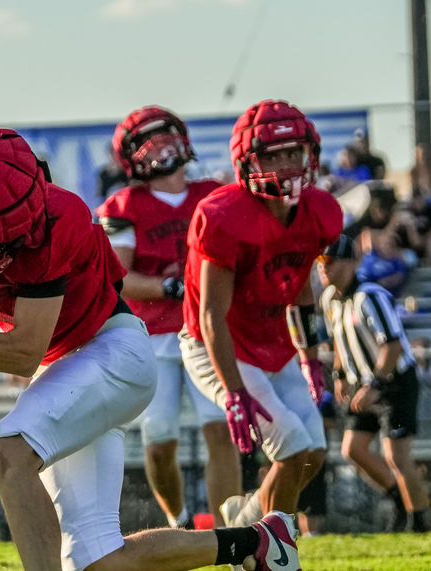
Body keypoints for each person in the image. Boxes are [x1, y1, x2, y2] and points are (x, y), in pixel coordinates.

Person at [0, 128, 301, 571]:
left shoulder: (54, 222)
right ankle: (260, 542)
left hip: (109, 352)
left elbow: (22, 351)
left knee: (8, 453)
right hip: (70, 367)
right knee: (96, 559)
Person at [176, 100, 342, 530]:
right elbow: (212, 314)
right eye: (274, 155)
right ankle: (270, 549)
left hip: (273, 344)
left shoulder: (319, 211)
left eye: (294, 154)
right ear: (248, 162)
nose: (287, 165)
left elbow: (300, 284)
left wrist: (309, 354)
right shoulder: (224, 216)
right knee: (289, 450)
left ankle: (246, 524)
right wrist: (232, 390)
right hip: (218, 345)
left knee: (315, 453)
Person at [96, 106, 241, 528]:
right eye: (146, 139)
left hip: (204, 330)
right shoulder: (124, 205)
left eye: (165, 134)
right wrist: (171, 287)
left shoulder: (213, 194)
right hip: (152, 334)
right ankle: (178, 522)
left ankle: (229, 533)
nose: (159, 145)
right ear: (129, 157)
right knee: (159, 441)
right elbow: (116, 278)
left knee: (220, 429)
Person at [317, 234, 429, 532]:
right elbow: (338, 342)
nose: (322, 268)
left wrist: (374, 385)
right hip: (362, 384)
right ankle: (398, 497)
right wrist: (340, 375)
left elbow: (392, 347)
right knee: (353, 449)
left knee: (397, 455)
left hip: (392, 382)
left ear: (350, 263)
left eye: (328, 261)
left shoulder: (370, 296)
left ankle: (419, 522)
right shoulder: (330, 299)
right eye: (319, 262)